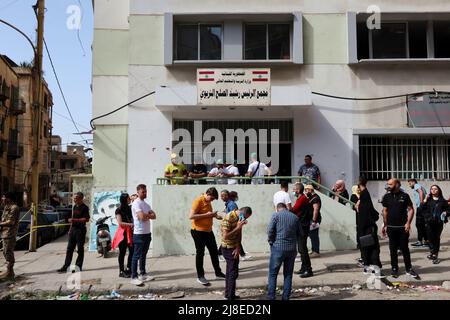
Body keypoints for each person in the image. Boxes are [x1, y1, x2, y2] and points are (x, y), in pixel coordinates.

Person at [381, 179, 420, 279]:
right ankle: (394, 268)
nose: (388, 185)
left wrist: (408, 223)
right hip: (391, 227)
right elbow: (385, 211)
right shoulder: (386, 196)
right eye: (388, 184)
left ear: (397, 184)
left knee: (404, 248)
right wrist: (385, 225)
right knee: (392, 249)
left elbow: (411, 209)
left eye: (390, 184)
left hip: (403, 227)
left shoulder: (405, 196)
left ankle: (409, 269)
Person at [189, 187, 225, 286]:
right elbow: (191, 216)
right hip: (198, 232)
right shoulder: (198, 200)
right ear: (207, 194)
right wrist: (207, 215)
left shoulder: (208, 202)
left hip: (208, 231)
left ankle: (218, 272)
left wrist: (217, 216)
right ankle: (200, 276)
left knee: (214, 252)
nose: (212, 200)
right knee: (200, 253)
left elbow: (208, 215)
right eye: (212, 198)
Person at [267, 203, 300, 300]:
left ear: (277, 209)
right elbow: (300, 233)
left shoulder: (275, 215)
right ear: (286, 208)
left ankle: (271, 297)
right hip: (291, 249)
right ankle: (285, 298)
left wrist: (271, 241)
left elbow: (270, 231)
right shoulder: (295, 217)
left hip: (277, 248)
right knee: (288, 275)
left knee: (273, 274)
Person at [220, 206, 253, 300]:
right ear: (242, 213)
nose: (245, 220)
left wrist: (238, 247)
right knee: (233, 273)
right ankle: (230, 296)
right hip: (228, 248)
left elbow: (239, 233)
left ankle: (229, 294)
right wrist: (238, 227)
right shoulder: (228, 218)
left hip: (234, 247)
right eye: (246, 217)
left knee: (231, 272)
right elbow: (225, 236)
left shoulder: (239, 218)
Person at [130, 184, 156, 286]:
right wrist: (147, 215)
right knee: (136, 255)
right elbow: (141, 217)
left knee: (143, 255)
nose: (145, 193)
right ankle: (134, 277)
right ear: (138, 192)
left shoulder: (146, 204)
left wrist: (146, 215)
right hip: (139, 233)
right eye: (143, 192)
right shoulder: (136, 203)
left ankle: (143, 273)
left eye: (145, 191)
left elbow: (154, 216)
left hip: (147, 233)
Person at [57, 192, 90, 273]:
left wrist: (74, 220)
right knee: (69, 249)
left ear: (81, 198)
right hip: (73, 230)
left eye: (76, 198)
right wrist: (70, 229)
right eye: (74, 198)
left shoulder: (85, 208)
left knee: (80, 249)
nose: (74, 199)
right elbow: (73, 218)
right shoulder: (75, 207)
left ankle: (78, 267)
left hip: (80, 230)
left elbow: (86, 219)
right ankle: (66, 266)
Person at [356, 176, 383, 275]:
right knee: (369, 248)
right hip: (367, 227)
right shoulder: (365, 195)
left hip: (366, 228)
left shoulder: (364, 195)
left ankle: (372, 266)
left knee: (370, 248)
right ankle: (369, 266)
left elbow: (366, 213)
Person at [422, 185, 449, 264]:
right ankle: (432, 252)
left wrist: (445, 212)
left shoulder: (442, 201)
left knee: (436, 238)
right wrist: (425, 200)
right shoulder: (428, 200)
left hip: (439, 222)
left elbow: (448, 209)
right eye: (432, 189)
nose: (433, 190)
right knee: (430, 238)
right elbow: (422, 209)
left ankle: (435, 255)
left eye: (435, 189)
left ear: (439, 190)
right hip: (429, 222)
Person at [290, 183, 313, 278]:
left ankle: (308, 270)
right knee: (301, 248)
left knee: (303, 249)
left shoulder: (302, 199)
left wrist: (287, 208)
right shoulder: (300, 198)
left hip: (303, 226)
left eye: (294, 189)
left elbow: (294, 210)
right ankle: (303, 268)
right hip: (301, 226)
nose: (293, 191)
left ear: (298, 190)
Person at [111, 193, 134, 278]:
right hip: (123, 234)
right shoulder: (118, 210)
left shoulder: (130, 208)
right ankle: (121, 271)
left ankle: (129, 268)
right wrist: (131, 224)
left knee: (132, 251)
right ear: (124, 199)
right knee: (122, 252)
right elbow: (120, 223)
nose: (130, 199)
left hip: (130, 233)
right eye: (128, 198)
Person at [0, 192, 20, 281]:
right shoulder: (6, 207)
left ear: (9, 198)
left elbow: (11, 222)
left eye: (4, 197)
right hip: (5, 233)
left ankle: (10, 272)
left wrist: (0, 224)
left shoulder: (14, 208)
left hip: (10, 233)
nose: (2, 199)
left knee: (8, 252)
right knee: (5, 252)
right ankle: (8, 271)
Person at [407, 179, 429, 248]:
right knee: (422, 224)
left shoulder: (417, 185)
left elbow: (420, 192)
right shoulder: (420, 186)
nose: (409, 185)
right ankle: (425, 241)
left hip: (421, 207)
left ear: (414, 182)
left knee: (419, 224)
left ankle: (420, 242)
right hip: (423, 207)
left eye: (410, 183)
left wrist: (421, 202)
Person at [305, 185, 322, 257]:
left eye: (306, 190)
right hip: (311, 219)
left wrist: (314, 221)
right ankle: (313, 250)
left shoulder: (316, 198)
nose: (305, 192)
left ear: (310, 190)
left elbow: (316, 210)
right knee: (311, 235)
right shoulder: (311, 197)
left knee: (314, 235)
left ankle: (316, 252)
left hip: (314, 219)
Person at [350, 185, 363, 266]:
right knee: (358, 229)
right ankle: (358, 242)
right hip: (356, 215)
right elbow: (354, 205)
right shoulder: (353, 196)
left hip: (361, 215)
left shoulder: (362, 195)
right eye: (357, 188)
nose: (358, 189)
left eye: (359, 188)